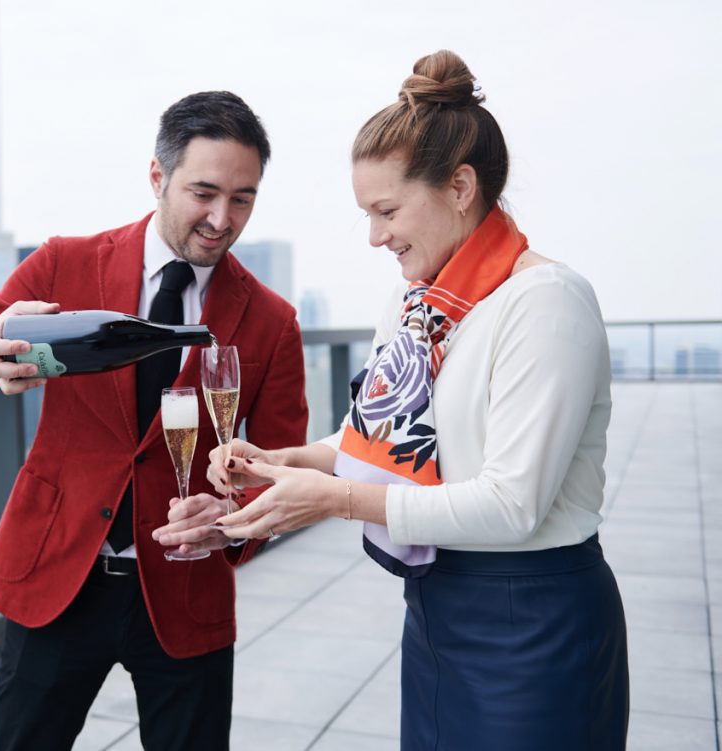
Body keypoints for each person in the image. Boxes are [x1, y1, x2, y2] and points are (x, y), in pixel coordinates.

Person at [179, 51, 629, 748]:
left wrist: (334, 500)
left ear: (460, 186)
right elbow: (372, 435)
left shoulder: (545, 302)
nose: (374, 235)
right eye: (366, 213)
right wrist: (286, 459)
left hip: (535, 617)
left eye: (386, 210)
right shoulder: (415, 300)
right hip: (437, 607)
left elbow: (512, 505)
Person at [0, 91, 308, 750]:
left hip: (186, 592)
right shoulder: (66, 264)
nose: (221, 218)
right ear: (158, 177)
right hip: (58, 578)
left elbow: (280, 466)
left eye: (243, 198)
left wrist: (233, 518)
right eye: (204, 192)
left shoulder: (272, 319)